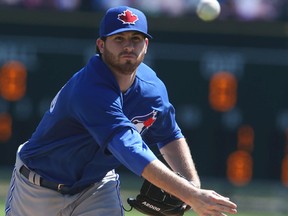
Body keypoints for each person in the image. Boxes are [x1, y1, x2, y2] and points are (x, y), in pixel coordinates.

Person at [5, 5, 237, 216]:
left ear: (146, 46)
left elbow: (169, 135)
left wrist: (191, 185)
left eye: (136, 38)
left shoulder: (151, 89)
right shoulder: (90, 89)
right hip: (38, 187)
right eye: (119, 38)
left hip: (96, 188)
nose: (128, 45)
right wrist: (192, 196)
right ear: (101, 44)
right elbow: (130, 149)